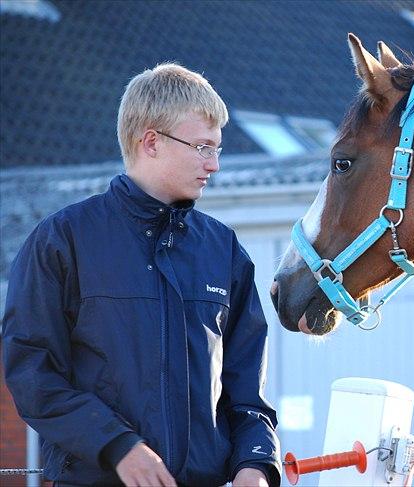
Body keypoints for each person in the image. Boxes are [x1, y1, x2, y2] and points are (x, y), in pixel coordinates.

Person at [2, 63, 281, 487]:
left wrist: (256, 464)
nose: (215, 165)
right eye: (203, 147)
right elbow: (32, 372)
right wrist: (118, 446)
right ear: (151, 141)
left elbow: (247, 392)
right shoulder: (64, 240)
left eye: (217, 149)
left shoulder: (223, 251)